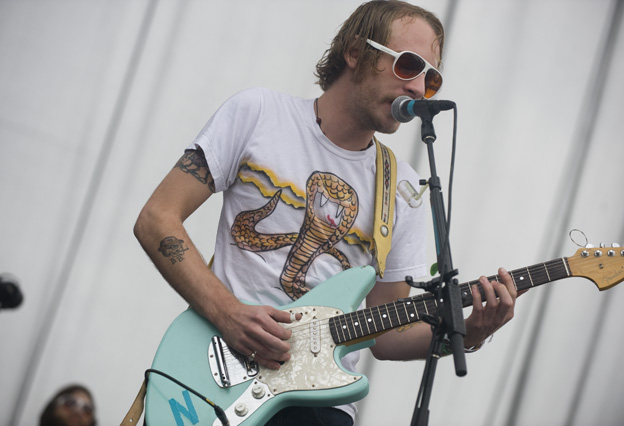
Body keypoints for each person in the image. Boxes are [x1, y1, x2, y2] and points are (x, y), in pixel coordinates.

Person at [134, 1, 518, 424]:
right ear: (355, 52)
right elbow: (157, 219)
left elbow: (387, 337)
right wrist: (228, 312)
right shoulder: (259, 114)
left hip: (319, 407)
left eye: (431, 78)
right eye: (408, 65)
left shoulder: (402, 189)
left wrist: (471, 333)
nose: (418, 88)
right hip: (217, 373)